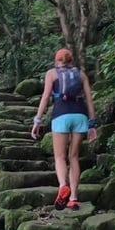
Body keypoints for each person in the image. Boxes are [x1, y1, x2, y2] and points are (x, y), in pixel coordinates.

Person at [30, 48, 97, 210]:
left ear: (56, 60)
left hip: (61, 116)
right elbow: (89, 100)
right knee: (73, 157)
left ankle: (62, 186)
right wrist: (92, 124)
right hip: (80, 116)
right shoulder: (81, 74)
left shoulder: (52, 74)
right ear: (71, 60)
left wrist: (37, 121)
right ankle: (73, 198)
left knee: (60, 157)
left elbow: (46, 97)